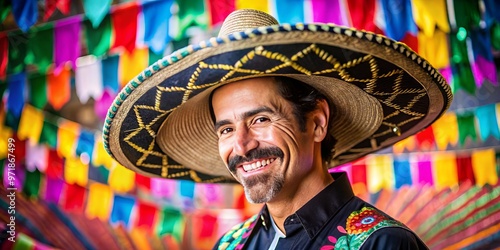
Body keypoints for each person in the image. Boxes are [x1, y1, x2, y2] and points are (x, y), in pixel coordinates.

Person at [103, 9, 452, 250]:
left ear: (316, 123)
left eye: (260, 120)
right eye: (226, 129)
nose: (241, 145)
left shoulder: (382, 244)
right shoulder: (231, 245)